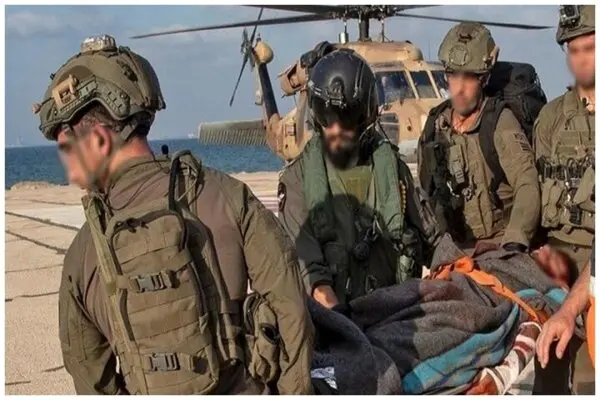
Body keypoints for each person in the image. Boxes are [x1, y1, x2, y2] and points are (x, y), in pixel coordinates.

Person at [32, 35, 313, 395]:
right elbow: (291, 310)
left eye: (67, 151)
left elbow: (91, 377)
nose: (69, 173)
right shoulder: (227, 196)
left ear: (99, 140)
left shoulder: (82, 255)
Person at [277, 49, 440, 309]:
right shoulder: (297, 180)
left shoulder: (391, 168)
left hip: (393, 313)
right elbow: (309, 271)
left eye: (346, 119)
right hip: (332, 318)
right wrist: (340, 320)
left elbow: (433, 238)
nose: (336, 130)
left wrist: (460, 271)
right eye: (327, 117)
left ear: (366, 116)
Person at [418, 22, 540, 253]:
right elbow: (425, 192)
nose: (459, 88)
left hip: (498, 245)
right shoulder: (436, 125)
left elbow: (527, 183)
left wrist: (514, 240)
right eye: (452, 75)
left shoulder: (499, 122)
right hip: (453, 247)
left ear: (484, 79)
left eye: (470, 77)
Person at [533, 5, 595, 394]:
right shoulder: (551, 117)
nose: (581, 59)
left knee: (590, 373)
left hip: (595, 260)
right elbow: (535, 187)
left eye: (590, 48)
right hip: (556, 260)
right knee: (547, 365)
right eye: (573, 50)